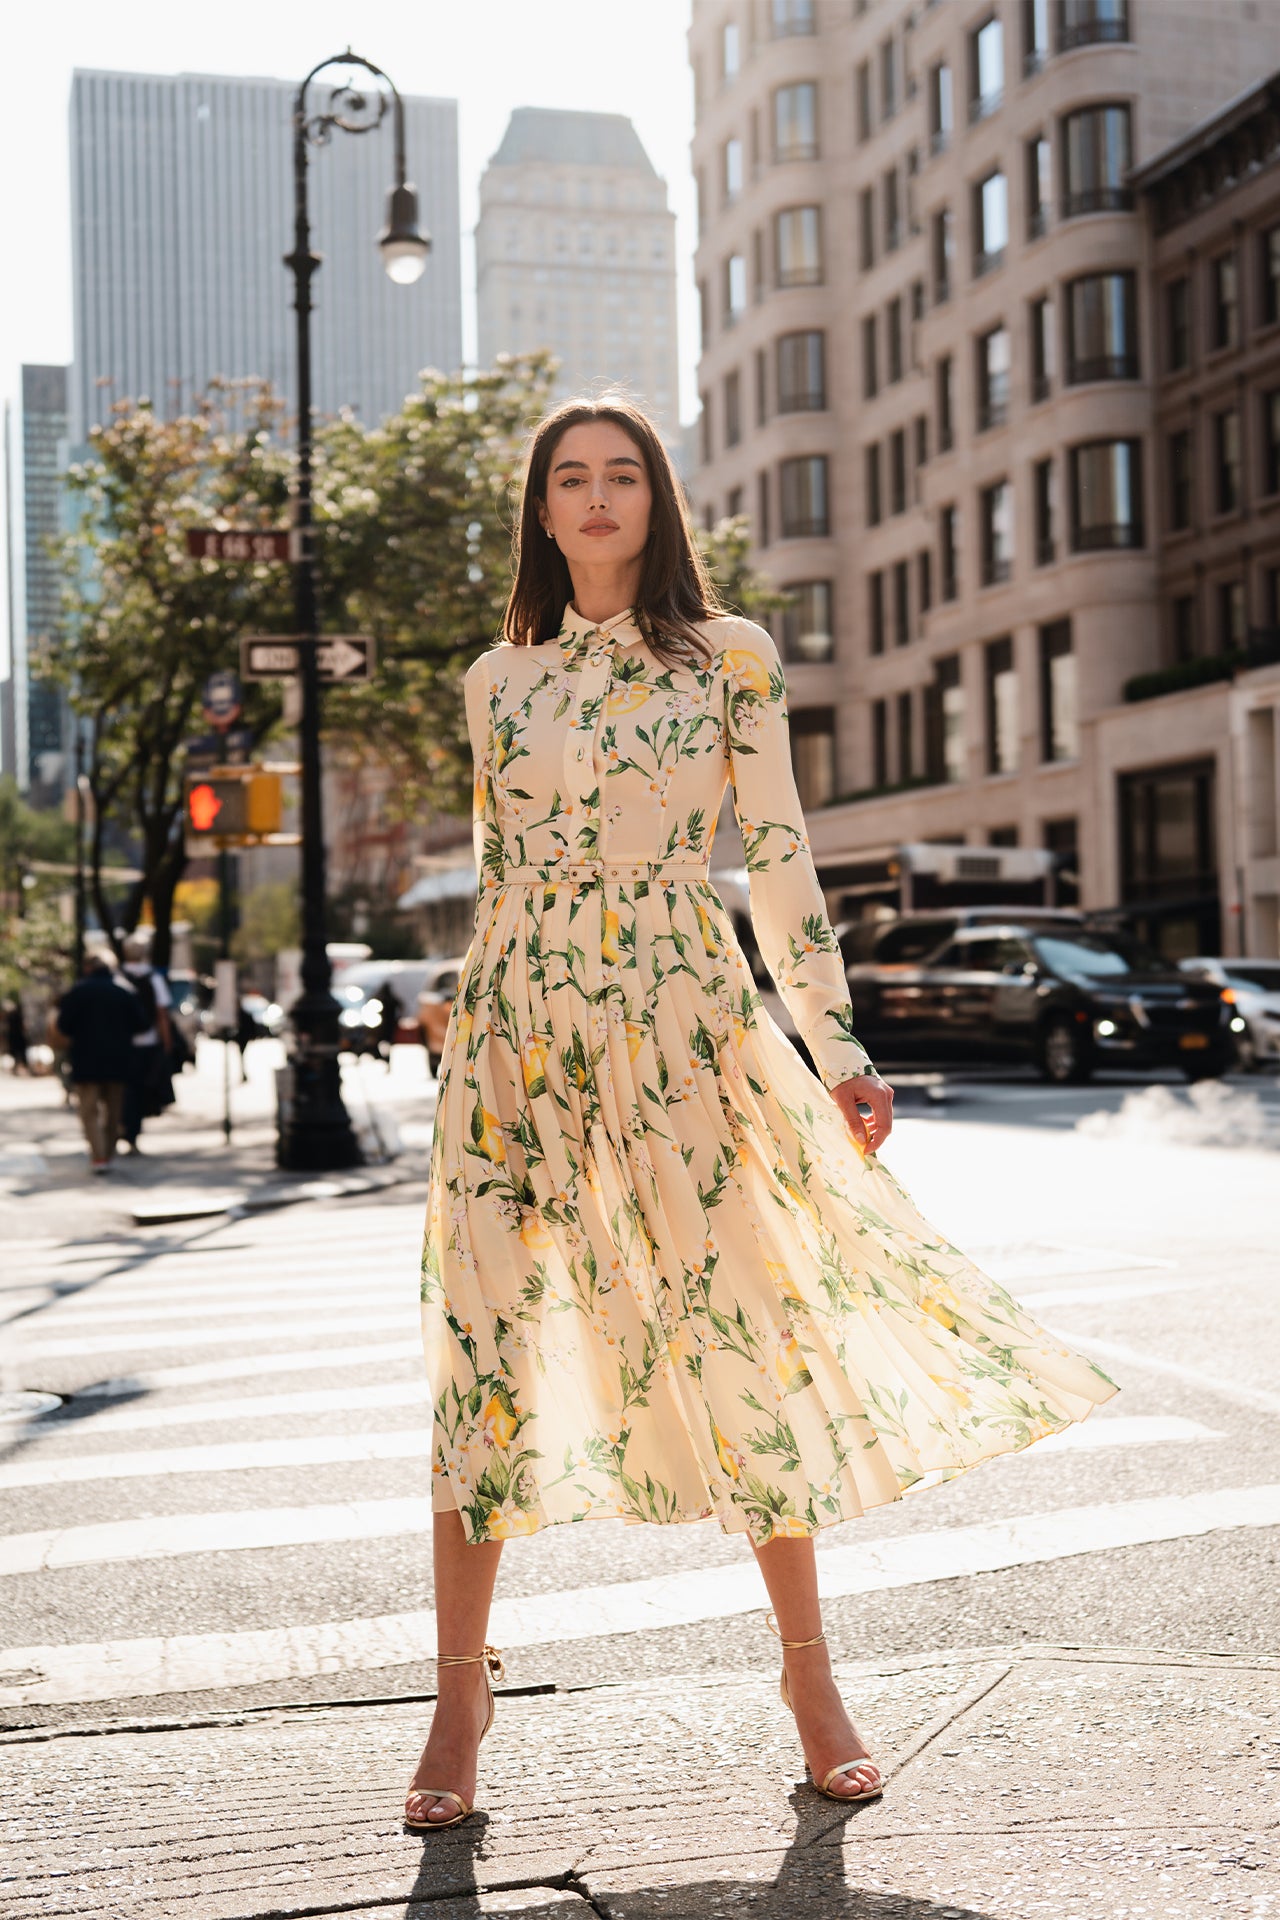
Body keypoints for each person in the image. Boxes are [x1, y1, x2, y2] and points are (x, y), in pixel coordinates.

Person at [406, 398, 1121, 1832]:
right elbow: (497, 879)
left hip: (683, 1023)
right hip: (514, 1046)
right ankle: (457, 1699)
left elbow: (782, 859)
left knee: (744, 1336)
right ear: (541, 513)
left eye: (622, 476)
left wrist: (835, 1043)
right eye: (571, 480)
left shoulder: (730, 658)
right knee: (481, 1353)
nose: (597, 499)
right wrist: (462, 1019)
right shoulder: (495, 682)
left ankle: (811, 1685)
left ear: (657, 503)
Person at [54, 954, 147, 1173]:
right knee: (113, 1110)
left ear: (88, 968)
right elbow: (141, 1024)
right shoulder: (123, 991)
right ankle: (109, 1152)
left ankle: (98, 1156)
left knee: (89, 1111)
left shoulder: (79, 992)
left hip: (86, 1060)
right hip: (118, 1060)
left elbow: (63, 1025)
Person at [120, 935, 175, 1153]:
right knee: (141, 1089)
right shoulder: (153, 978)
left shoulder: (118, 976)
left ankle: (124, 1127)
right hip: (147, 1042)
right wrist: (167, 1041)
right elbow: (162, 1014)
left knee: (127, 1090)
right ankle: (132, 1134)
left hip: (124, 1044)